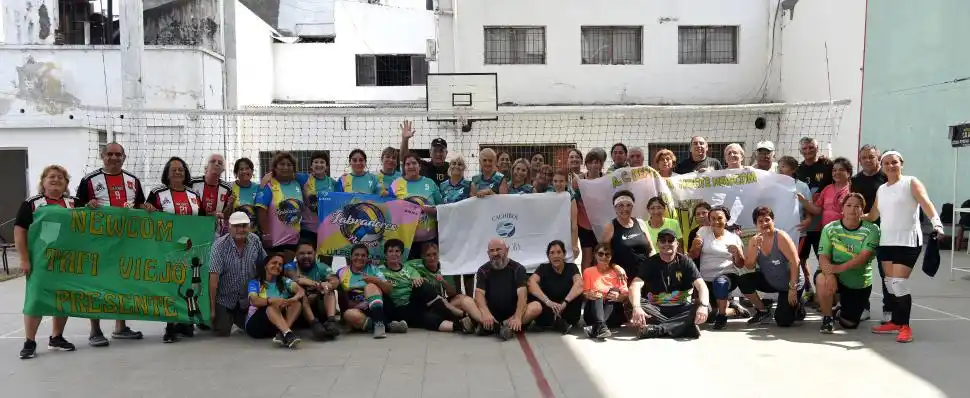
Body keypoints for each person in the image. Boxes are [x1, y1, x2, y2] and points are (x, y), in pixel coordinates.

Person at [866, 150, 944, 343]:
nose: (891, 166)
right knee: (889, 283)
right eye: (887, 163)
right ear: (882, 167)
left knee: (898, 284)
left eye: (894, 162)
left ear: (901, 163)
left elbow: (926, 203)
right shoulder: (881, 189)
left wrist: (937, 223)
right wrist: (851, 217)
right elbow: (873, 215)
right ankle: (895, 321)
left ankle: (906, 327)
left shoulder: (911, 182)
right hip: (886, 242)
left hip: (907, 241)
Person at [74, 142, 146, 346]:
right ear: (102, 156)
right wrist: (88, 206)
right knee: (96, 284)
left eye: (118, 154)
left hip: (126, 242)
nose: (114, 158)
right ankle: (95, 330)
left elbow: (139, 205)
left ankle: (120, 327)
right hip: (98, 243)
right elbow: (76, 208)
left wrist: (146, 207)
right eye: (110, 154)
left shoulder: (133, 180)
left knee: (122, 283)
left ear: (124, 157)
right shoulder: (89, 180)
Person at [17, 165, 77, 359]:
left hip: (67, 261)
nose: (56, 180)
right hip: (41, 260)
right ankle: (30, 341)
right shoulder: (32, 203)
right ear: (42, 182)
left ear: (66, 183)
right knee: (35, 299)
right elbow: (20, 231)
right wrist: (24, 258)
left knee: (62, 297)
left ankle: (56, 337)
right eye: (51, 177)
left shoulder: (74, 203)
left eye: (61, 177)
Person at [146, 156, 208, 343]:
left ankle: (185, 321)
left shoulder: (194, 195)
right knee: (171, 286)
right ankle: (170, 326)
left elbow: (203, 220)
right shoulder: (158, 193)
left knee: (189, 284)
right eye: (173, 169)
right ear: (167, 173)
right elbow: (147, 216)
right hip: (168, 248)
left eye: (181, 169)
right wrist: (147, 208)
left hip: (191, 248)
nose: (178, 172)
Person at [629, 229, 711, 339]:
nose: (667, 243)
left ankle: (658, 329)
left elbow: (701, 286)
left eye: (670, 240)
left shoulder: (685, 261)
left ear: (677, 244)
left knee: (706, 306)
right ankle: (684, 327)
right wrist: (636, 307)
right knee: (631, 305)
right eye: (663, 241)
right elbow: (635, 285)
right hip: (656, 308)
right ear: (657, 244)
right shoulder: (650, 262)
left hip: (682, 307)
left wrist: (703, 306)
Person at [816, 193, 880, 333]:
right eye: (849, 205)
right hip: (835, 274)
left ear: (862, 210)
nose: (852, 209)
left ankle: (839, 307)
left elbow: (862, 258)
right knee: (822, 279)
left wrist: (836, 270)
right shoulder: (830, 228)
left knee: (849, 324)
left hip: (858, 280)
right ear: (842, 209)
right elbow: (823, 256)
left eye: (857, 206)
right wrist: (831, 275)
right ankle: (828, 318)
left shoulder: (872, 230)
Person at [380, 239, 473, 334]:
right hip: (392, 307)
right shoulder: (379, 271)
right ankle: (459, 317)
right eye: (390, 251)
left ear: (401, 254)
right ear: (385, 254)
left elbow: (420, 281)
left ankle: (461, 326)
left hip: (411, 307)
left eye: (397, 251)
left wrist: (418, 279)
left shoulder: (409, 269)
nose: (394, 254)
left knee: (429, 315)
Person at [738, 206, 806, 327]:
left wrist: (793, 288)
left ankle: (798, 305)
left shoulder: (781, 237)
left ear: (773, 221)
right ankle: (763, 311)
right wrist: (754, 249)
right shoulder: (754, 240)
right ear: (756, 224)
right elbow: (749, 266)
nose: (764, 223)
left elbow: (795, 262)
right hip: (771, 281)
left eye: (767, 220)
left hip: (791, 283)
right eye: (760, 221)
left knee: (783, 321)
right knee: (744, 281)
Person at [209, 211, 265, 337]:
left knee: (253, 329)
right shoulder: (219, 245)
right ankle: (221, 317)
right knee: (222, 332)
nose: (241, 229)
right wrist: (212, 310)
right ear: (229, 227)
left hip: (248, 297)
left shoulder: (255, 240)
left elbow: (264, 264)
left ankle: (239, 318)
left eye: (244, 226)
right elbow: (213, 279)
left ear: (249, 226)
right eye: (236, 226)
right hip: (225, 298)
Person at [850, 144, 890, 322]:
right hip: (862, 231)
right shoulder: (855, 180)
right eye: (864, 157)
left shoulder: (887, 178)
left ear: (878, 158)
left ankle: (888, 310)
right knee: (860, 270)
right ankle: (862, 307)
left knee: (885, 272)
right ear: (859, 160)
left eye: (871, 157)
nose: (867, 160)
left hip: (886, 232)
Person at [474, 239, 542, 341]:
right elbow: (479, 294)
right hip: (491, 314)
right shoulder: (483, 270)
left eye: (498, 249)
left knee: (536, 307)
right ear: (488, 253)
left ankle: (496, 327)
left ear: (507, 250)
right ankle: (499, 328)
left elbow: (522, 296)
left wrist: (518, 317)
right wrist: (486, 313)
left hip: (513, 314)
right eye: (492, 251)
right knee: (468, 302)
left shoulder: (518, 269)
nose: (495, 253)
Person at [688, 205, 744, 329]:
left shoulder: (733, 237)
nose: (716, 222)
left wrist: (737, 253)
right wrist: (695, 246)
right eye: (712, 218)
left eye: (719, 218)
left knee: (720, 282)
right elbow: (692, 255)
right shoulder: (703, 231)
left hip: (727, 277)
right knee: (705, 315)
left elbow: (740, 264)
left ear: (726, 220)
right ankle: (733, 310)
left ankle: (723, 315)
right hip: (706, 280)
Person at [795, 137, 834, 301]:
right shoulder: (797, 170)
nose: (808, 150)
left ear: (817, 148)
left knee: (823, 259)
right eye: (805, 148)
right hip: (803, 224)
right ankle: (808, 289)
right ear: (801, 151)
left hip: (822, 223)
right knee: (800, 260)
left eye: (811, 147)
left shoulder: (827, 166)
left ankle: (826, 294)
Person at [405, 242, 483, 324]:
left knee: (463, 299)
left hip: (443, 302)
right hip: (426, 304)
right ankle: (468, 319)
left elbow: (452, 293)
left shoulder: (444, 268)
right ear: (422, 256)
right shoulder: (415, 264)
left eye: (435, 254)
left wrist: (443, 282)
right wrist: (415, 275)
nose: (432, 258)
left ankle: (483, 321)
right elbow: (403, 266)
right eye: (428, 255)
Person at [336, 244, 397, 338]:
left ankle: (379, 323)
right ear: (351, 257)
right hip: (359, 310)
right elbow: (338, 288)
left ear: (367, 258)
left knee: (370, 286)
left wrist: (376, 280)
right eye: (356, 255)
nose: (360, 258)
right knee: (348, 314)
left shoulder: (374, 269)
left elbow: (389, 289)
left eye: (363, 255)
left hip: (379, 308)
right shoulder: (342, 272)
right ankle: (388, 326)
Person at [243, 253, 304, 348]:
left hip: (276, 323)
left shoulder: (284, 281)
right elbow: (254, 301)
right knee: (271, 306)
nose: (277, 266)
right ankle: (287, 333)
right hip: (256, 325)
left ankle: (284, 332)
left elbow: (300, 291)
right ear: (265, 266)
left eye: (280, 264)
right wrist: (271, 301)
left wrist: (291, 300)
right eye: (274, 263)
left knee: (296, 303)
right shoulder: (255, 283)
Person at [283, 241, 341, 340]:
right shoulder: (290, 266)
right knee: (301, 295)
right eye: (302, 253)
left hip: (318, 309)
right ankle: (314, 325)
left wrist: (328, 285)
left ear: (315, 254)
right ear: (296, 255)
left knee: (328, 290)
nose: (306, 256)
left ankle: (331, 321)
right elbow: (295, 278)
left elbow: (335, 280)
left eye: (309, 253)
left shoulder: (321, 266)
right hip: (299, 313)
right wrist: (317, 284)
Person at [391, 153, 444, 260]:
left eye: (414, 163)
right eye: (408, 164)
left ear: (419, 166)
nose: (411, 166)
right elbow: (389, 210)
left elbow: (441, 208)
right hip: (405, 239)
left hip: (428, 239)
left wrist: (431, 210)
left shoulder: (429, 183)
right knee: (409, 273)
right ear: (404, 167)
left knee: (428, 272)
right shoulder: (396, 184)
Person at [527, 240, 584, 334]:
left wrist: (565, 302)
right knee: (533, 295)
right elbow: (530, 282)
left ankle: (559, 321)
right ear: (548, 256)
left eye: (559, 252)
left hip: (567, 309)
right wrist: (548, 302)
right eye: (552, 253)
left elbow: (579, 284)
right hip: (549, 309)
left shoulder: (572, 267)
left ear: (564, 254)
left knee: (578, 295)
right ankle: (556, 322)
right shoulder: (543, 268)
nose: (555, 256)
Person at [256, 151, 305, 252]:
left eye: (289, 165)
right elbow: (261, 210)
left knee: (289, 267)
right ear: (275, 167)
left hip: (294, 240)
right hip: (275, 241)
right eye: (282, 164)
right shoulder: (268, 185)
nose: (285, 167)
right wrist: (266, 234)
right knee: (275, 267)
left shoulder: (297, 183)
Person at [600, 190, 653, 278]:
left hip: (645, 273)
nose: (625, 209)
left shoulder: (640, 223)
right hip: (622, 275)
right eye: (621, 205)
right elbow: (602, 254)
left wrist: (653, 266)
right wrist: (615, 267)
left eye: (628, 205)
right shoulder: (610, 227)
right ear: (615, 208)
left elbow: (651, 249)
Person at [582, 243, 629, 339]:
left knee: (614, 291)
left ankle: (598, 327)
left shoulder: (618, 273)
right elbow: (584, 293)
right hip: (593, 312)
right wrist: (588, 294)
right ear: (595, 255)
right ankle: (601, 325)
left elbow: (626, 295)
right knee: (597, 294)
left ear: (611, 256)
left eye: (607, 254)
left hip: (613, 313)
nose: (604, 257)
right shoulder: (588, 271)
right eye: (600, 254)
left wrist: (619, 297)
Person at [295, 151, 336, 245]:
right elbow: (285, 172)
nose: (319, 164)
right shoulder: (304, 178)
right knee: (307, 259)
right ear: (311, 166)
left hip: (327, 230)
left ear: (327, 166)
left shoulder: (333, 183)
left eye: (322, 162)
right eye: (316, 162)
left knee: (325, 260)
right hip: (307, 230)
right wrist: (268, 177)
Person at [576, 148, 606, 270]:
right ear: (586, 164)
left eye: (597, 162)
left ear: (601, 164)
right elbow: (573, 200)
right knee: (587, 256)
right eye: (591, 162)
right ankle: (587, 284)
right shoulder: (579, 180)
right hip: (585, 225)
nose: (594, 165)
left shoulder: (606, 179)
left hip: (601, 224)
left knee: (602, 254)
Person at [801, 157, 853, 229]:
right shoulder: (827, 189)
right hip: (826, 232)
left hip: (845, 232)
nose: (837, 172)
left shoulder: (852, 190)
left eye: (841, 170)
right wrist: (803, 201)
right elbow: (817, 210)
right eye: (834, 170)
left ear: (848, 173)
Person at [189, 153, 233, 232]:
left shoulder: (227, 188)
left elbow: (226, 216)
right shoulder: (192, 183)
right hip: (192, 228)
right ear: (206, 167)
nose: (216, 164)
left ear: (223, 170)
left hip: (215, 232)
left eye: (220, 163)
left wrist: (229, 206)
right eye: (213, 161)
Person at [400, 120, 450, 185]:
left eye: (441, 151)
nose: (438, 154)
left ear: (446, 153)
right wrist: (405, 139)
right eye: (435, 151)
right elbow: (405, 159)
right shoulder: (423, 166)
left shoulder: (451, 167)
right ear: (430, 152)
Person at [551, 170, 581, 257]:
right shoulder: (548, 196)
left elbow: (574, 224)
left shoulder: (571, 198)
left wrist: (575, 245)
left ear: (566, 183)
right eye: (555, 181)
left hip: (565, 235)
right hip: (551, 234)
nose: (558, 184)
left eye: (561, 181)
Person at [231, 158, 260, 234]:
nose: (244, 171)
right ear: (236, 173)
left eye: (247, 168)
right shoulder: (230, 188)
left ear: (252, 171)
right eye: (241, 169)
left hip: (255, 234)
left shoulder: (258, 188)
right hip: (236, 234)